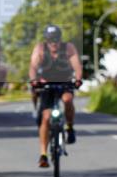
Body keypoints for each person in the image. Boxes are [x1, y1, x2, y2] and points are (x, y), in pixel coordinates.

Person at [29, 24, 83, 168]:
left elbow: (77, 65)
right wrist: (34, 80)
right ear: (46, 40)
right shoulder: (40, 49)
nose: (54, 43)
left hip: (64, 82)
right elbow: (33, 67)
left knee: (68, 99)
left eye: (56, 40)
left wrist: (78, 78)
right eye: (51, 40)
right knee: (46, 117)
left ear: (60, 39)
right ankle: (43, 155)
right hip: (46, 84)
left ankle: (70, 127)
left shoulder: (68, 48)